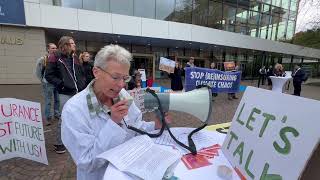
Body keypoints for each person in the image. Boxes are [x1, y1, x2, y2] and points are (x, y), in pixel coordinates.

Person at [61, 44, 170, 180]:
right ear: (96, 72)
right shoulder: (74, 110)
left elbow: (136, 127)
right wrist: (113, 123)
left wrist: (155, 125)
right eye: (115, 77)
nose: (121, 85)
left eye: (125, 78)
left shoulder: (123, 95)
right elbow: (86, 162)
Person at [45, 36, 86, 154]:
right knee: (64, 118)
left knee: (77, 117)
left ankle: (72, 139)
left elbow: (80, 73)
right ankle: (59, 143)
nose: (74, 45)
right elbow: (49, 75)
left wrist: (82, 84)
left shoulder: (75, 57)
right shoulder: (55, 57)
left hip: (77, 92)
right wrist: (61, 84)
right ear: (65, 45)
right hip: (65, 93)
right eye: (72, 43)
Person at [35, 43, 60, 126]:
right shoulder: (43, 59)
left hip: (56, 83)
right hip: (48, 83)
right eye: (52, 48)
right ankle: (47, 118)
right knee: (48, 101)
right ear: (48, 49)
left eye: (55, 48)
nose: (54, 50)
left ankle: (57, 113)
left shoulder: (57, 59)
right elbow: (38, 72)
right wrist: (43, 81)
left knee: (57, 100)